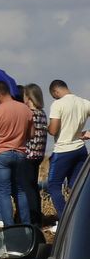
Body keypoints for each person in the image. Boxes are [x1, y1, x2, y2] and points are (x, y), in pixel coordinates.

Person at [0, 81, 32, 226]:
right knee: (21, 190)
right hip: (20, 153)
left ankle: (9, 226)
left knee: (3, 192)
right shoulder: (25, 109)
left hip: (1, 153)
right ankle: (26, 224)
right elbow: (31, 134)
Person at [46, 80, 90, 229]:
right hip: (80, 148)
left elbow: (53, 130)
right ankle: (81, 218)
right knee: (76, 186)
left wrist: (47, 126)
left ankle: (65, 221)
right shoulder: (84, 103)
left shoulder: (58, 104)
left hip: (63, 150)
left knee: (53, 186)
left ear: (55, 92)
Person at [22, 84, 49, 229]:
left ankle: (32, 218)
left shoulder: (29, 114)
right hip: (39, 155)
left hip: (28, 154)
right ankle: (37, 217)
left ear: (29, 97)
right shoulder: (42, 113)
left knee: (27, 188)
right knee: (33, 187)